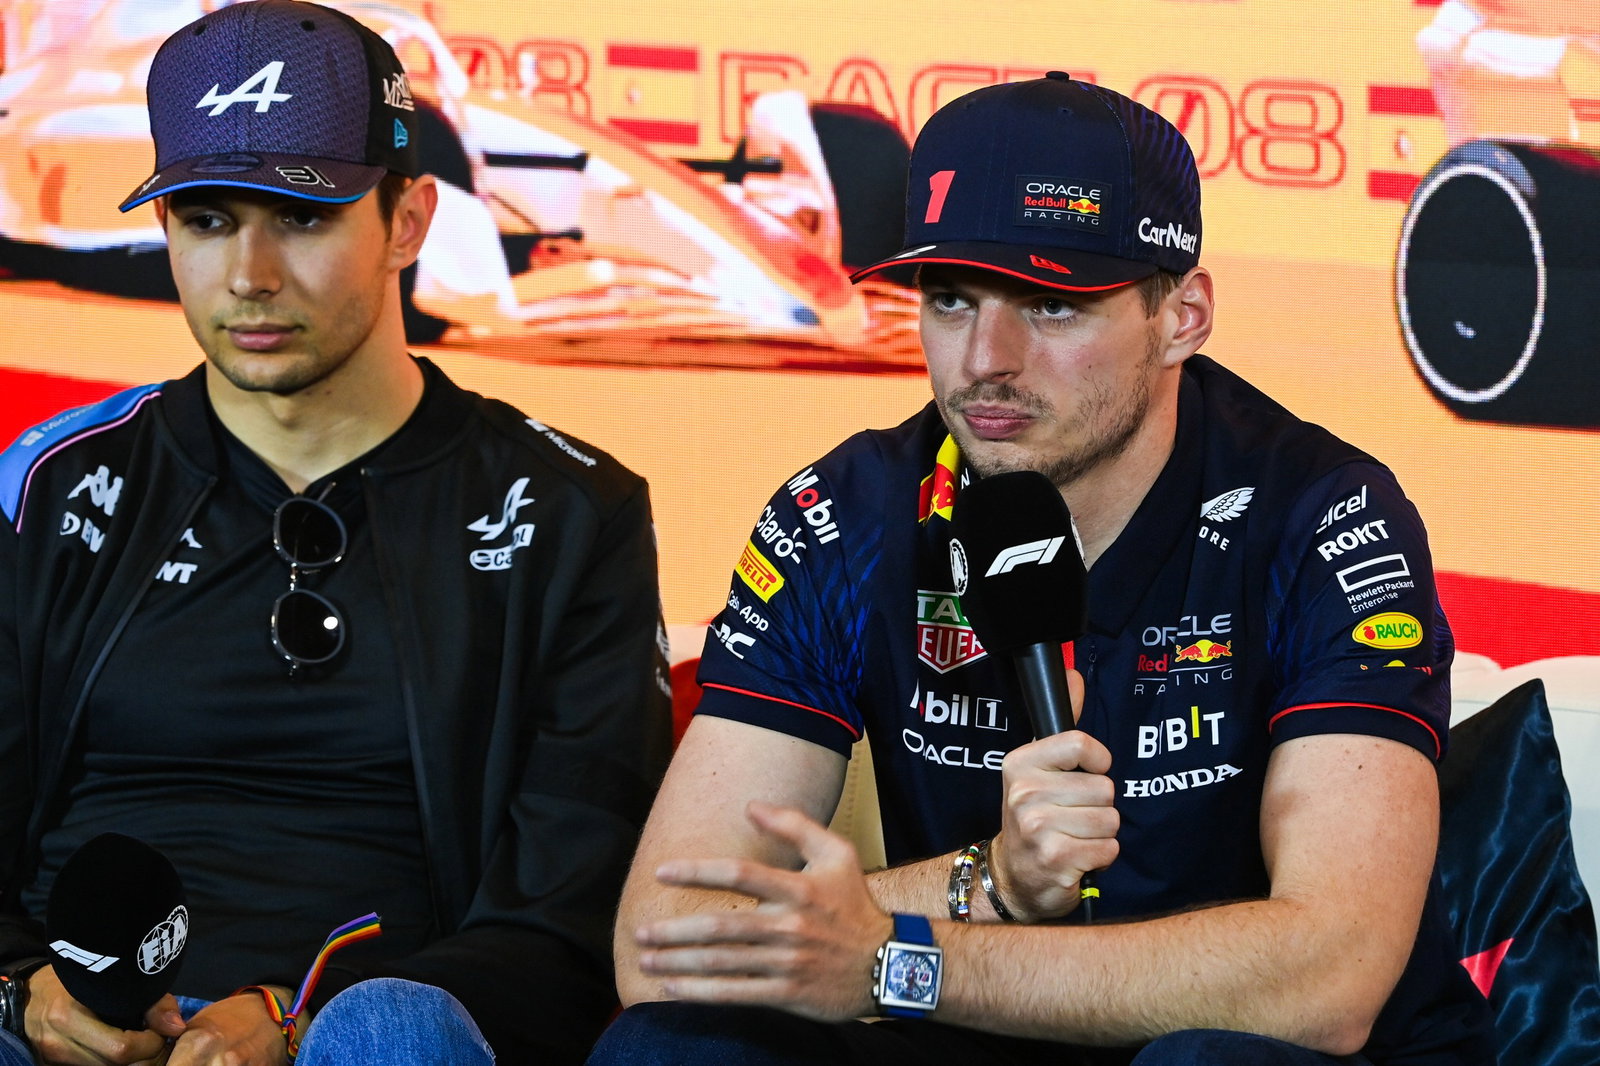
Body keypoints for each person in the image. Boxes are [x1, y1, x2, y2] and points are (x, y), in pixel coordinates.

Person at [597, 72, 1497, 1065]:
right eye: (948, 300)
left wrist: (902, 957)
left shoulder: (1322, 514)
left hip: (1252, 1047)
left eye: (1050, 304)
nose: (985, 357)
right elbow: (665, 942)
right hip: (983, 1035)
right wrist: (991, 884)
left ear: (1183, 315)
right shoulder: (844, 514)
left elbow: (1326, 978)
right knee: (669, 1045)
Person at [0, 2, 671, 1064]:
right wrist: (20, 995)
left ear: (407, 219)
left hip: (380, 1028)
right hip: (63, 1035)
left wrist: (301, 1012)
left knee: (391, 1032)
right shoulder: (46, 485)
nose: (251, 276)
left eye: (301, 218)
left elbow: (568, 924)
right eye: (206, 219)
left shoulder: (567, 511)